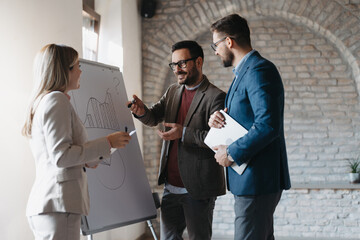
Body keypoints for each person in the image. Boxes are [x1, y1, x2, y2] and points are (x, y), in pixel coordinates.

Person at [22, 44, 131, 240]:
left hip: (52, 205)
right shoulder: (56, 100)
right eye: (77, 66)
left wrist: (98, 154)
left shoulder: (46, 101)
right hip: (58, 204)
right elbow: (61, 156)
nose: (81, 71)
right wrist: (107, 142)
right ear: (64, 71)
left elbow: (59, 154)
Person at [128, 40, 226, 240]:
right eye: (173, 65)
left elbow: (217, 142)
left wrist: (183, 133)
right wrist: (141, 112)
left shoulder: (216, 96)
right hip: (171, 187)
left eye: (182, 64)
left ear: (198, 62)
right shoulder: (173, 91)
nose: (177, 70)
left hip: (198, 188)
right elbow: (155, 116)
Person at [208, 14, 291, 240]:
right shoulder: (243, 73)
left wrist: (232, 152)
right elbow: (246, 116)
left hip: (257, 179)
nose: (215, 51)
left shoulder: (258, 70)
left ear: (229, 41)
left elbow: (267, 125)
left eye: (215, 45)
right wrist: (219, 118)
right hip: (249, 179)